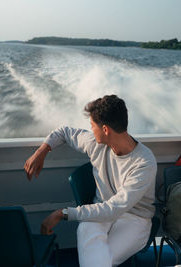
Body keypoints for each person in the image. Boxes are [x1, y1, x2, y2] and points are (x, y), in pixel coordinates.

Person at [24, 95, 157, 267]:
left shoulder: (144, 162)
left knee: (99, 260)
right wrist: (42, 151)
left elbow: (113, 209)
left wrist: (63, 213)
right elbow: (64, 132)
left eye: (92, 126)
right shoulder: (96, 143)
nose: (91, 130)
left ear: (106, 129)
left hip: (135, 219)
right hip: (99, 211)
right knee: (90, 240)